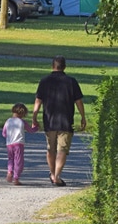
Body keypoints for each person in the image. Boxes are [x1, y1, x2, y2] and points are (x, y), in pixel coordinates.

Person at [32, 56, 86, 186]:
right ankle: (56, 176)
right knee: (62, 149)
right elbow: (78, 101)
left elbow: (38, 101)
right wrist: (83, 117)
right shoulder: (71, 81)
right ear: (64, 67)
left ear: (52, 66)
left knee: (51, 149)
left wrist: (34, 117)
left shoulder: (44, 81)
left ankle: (52, 173)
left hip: (49, 120)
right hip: (66, 120)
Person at [2, 103, 38, 185]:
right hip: (18, 144)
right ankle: (16, 178)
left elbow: (4, 133)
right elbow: (31, 130)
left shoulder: (8, 121)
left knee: (11, 159)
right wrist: (36, 127)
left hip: (9, 144)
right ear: (22, 113)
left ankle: (9, 171)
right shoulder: (22, 122)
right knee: (18, 161)